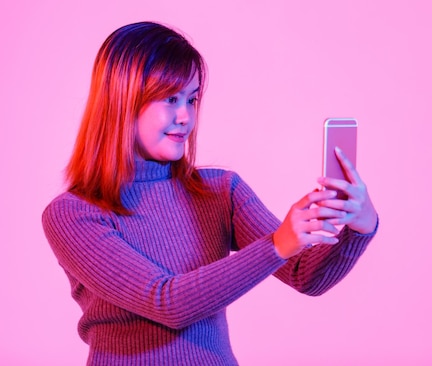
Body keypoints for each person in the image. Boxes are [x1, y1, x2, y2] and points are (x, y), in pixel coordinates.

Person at [42, 21, 378, 365]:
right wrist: (278, 243)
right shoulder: (73, 214)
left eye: (193, 98)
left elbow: (304, 276)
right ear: (122, 101)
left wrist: (360, 227)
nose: (186, 116)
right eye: (170, 99)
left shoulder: (220, 191)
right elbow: (166, 303)